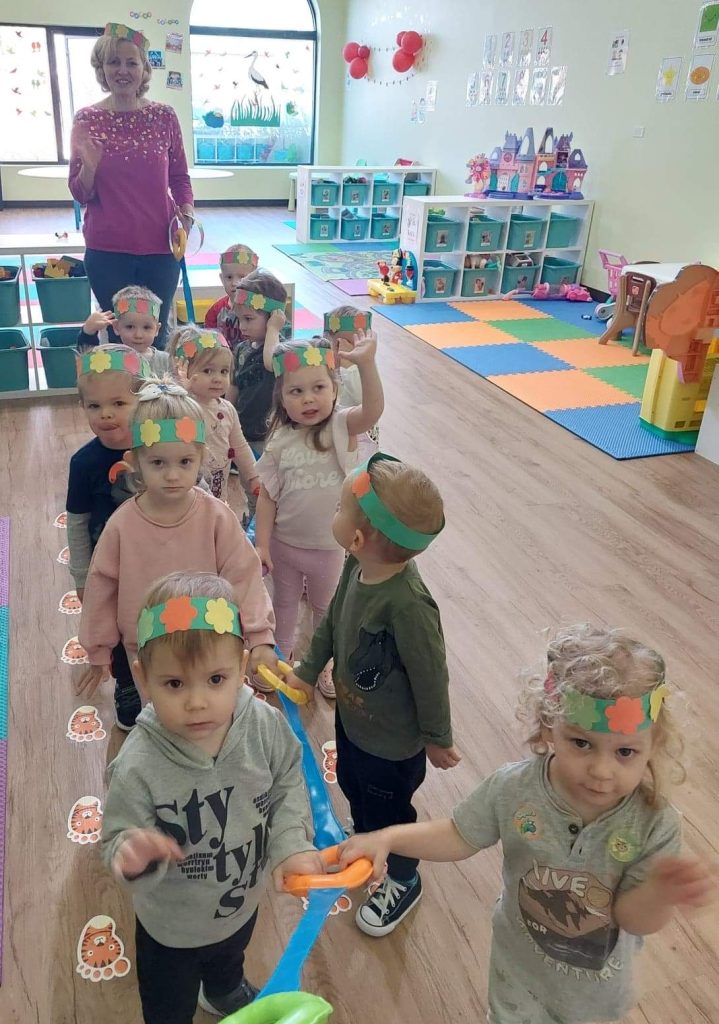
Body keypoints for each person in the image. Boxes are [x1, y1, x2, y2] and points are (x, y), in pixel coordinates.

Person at [338, 623, 713, 1022]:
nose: (602, 770)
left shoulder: (654, 823)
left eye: (625, 752)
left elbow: (634, 919)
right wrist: (388, 837)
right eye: (581, 743)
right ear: (550, 724)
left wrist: (660, 892)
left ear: (653, 744)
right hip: (517, 972)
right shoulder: (514, 788)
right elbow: (458, 835)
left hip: (593, 994)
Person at [102, 570, 322, 1024]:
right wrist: (132, 853)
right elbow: (117, 839)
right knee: (167, 1008)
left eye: (216, 679)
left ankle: (223, 991)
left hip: (241, 901)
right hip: (170, 930)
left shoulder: (264, 726)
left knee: (229, 961)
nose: (197, 702)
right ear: (143, 678)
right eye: (175, 684)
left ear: (241, 668)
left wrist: (291, 844)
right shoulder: (137, 765)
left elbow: (287, 781)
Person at [286, 452, 459, 932]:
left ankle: (402, 877)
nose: (334, 512)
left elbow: (432, 675)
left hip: (392, 743)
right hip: (355, 720)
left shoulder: (409, 607)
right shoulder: (354, 565)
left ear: (359, 537)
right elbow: (332, 622)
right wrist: (307, 670)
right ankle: (366, 836)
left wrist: (437, 737)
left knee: (389, 810)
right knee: (353, 784)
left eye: (339, 508)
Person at [77, 380, 277, 729]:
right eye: (158, 462)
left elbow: (244, 575)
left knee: (214, 720)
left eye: (185, 461)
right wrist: (97, 649)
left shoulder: (216, 517)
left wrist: (260, 637)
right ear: (135, 462)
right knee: (163, 723)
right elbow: (102, 587)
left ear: (201, 458)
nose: (172, 475)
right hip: (150, 650)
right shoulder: (122, 525)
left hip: (213, 644)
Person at [255, 336, 383, 696]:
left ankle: (323, 662)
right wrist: (261, 545)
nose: (308, 399)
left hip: (327, 548)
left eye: (318, 388)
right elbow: (267, 498)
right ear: (281, 397)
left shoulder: (341, 425)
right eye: (296, 391)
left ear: (334, 389)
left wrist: (367, 365)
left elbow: (372, 411)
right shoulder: (280, 440)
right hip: (283, 546)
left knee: (324, 609)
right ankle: (280, 656)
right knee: (283, 604)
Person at [68, 22, 194, 350]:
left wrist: (187, 213)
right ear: (101, 69)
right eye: (114, 62)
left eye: (131, 62)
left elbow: (179, 177)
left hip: (161, 247)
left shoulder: (164, 116)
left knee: (156, 336)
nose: (122, 70)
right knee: (118, 339)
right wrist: (90, 167)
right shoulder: (86, 119)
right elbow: (79, 193)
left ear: (144, 69)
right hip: (107, 251)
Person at [66, 345, 151, 729]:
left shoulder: (155, 449)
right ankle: (127, 686)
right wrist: (82, 576)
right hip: (110, 569)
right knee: (117, 628)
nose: (105, 414)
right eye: (94, 406)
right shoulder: (83, 463)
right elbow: (77, 522)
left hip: (156, 560)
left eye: (118, 403)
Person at [168, 326, 258, 505]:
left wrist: (253, 476)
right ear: (183, 370)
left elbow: (240, 447)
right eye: (208, 371)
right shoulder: (183, 405)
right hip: (186, 493)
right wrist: (181, 391)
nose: (217, 378)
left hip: (218, 490)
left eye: (224, 371)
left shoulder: (228, 409)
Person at [225, 269, 288, 516]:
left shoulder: (281, 348)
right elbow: (234, 385)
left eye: (249, 319)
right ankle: (254, 517)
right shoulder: (241, 349)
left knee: (270, 488)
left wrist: (273, 330)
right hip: (244, 433)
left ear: (273, 317)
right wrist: (227, 417)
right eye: (239, 319)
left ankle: (269, 521)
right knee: (250, 485)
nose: (242, 326)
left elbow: (271, 363)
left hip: (269, 437)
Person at [323, 305, 380, 460]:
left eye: (357, 345)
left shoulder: (363, 371)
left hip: (363, 446)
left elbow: (362, 399)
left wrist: (349, 366)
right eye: (342, 345)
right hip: (335, 444)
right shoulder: (324, 372)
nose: (352, 352)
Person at [77, 286, 171, 376]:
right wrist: (88, 331)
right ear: (116, 327)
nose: (138, 335)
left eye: (146, 327)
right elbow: (85, 366)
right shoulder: (110, 357)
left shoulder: (166, 360)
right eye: (130, 327)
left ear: (157, 330)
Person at [204, 245, 260, 350]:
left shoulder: (261, 309)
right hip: (224, 359)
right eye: (229, 277)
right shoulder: (216, 311)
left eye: (242, 277)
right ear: (222, 279)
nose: (235, 283)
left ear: (255, 277)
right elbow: (208, 343)